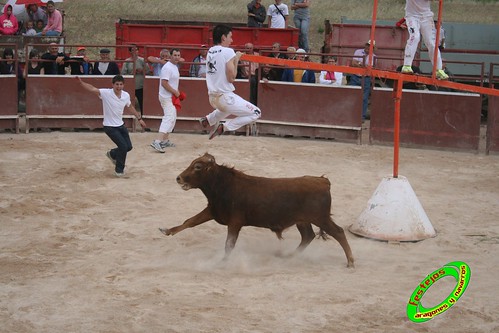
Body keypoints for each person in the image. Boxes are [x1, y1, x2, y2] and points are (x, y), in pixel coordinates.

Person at [76, 75, 146, 177]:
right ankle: (119, 171)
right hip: (109, 126)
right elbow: (92, 89)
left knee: (128, 147)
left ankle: (112, 154)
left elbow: (130, 106)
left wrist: (139, 119)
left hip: (120, 125)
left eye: (121, 84)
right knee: (122, 147)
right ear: (112, 85)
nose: (119, 86)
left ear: (123, 85)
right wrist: (81, 83)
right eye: (117, 84)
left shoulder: (125, 95)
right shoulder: (106, 93)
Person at [199, 24, 262, 139]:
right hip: (225, 97)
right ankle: (225, 127)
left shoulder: (210, 51)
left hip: (212, 97)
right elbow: (231, 78)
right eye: (230, 37)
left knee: (225, 109)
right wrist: (236, 59)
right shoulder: (228, 52)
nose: (231, 40)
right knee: (256, 112)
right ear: (223, 37)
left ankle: (208, 119)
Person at [400, 0, 448, 80]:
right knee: (415, 37)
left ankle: (438, 69)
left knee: (432, 43)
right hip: (412, 16)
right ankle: (407, 65)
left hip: (426, 17)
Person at [150, 48, 183, 153]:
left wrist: (175, 92)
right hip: (166, 96)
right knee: (169, 117)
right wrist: (175, 91)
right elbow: (164, 83)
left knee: (172, 117)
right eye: (175, 55)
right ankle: (157, 141)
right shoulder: (168, 67)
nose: (177, 57)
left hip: (171, 96)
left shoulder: (174, 66)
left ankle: (164, 140)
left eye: (178, 55)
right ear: (170, 56)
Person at [348, 40, 376, 120]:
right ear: (366, 45)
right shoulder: (358, 51)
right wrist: (364, 65)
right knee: (352, 96)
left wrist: (359, 63)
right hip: (356, 76)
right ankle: (351, 115)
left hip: (366, 78)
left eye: (371, 46)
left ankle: (361, 117)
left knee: (364, 98)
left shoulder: (373, 56)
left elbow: (369, 68)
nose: (369, 47)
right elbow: (353, 63)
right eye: (368, 45)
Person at [121, 44, 151, 114]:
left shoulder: (142, 60)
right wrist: (132, 73)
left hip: (140, 85)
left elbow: (148, 72)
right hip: (130, 85)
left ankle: (143, 115)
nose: (135, 52)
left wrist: (142, 71)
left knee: (141, 102)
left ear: (138, 51)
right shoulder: (127, 61)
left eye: (136, 50)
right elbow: (123, 73)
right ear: (130, 52)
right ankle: (128, 115)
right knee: (128, 102)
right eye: (132, 50)